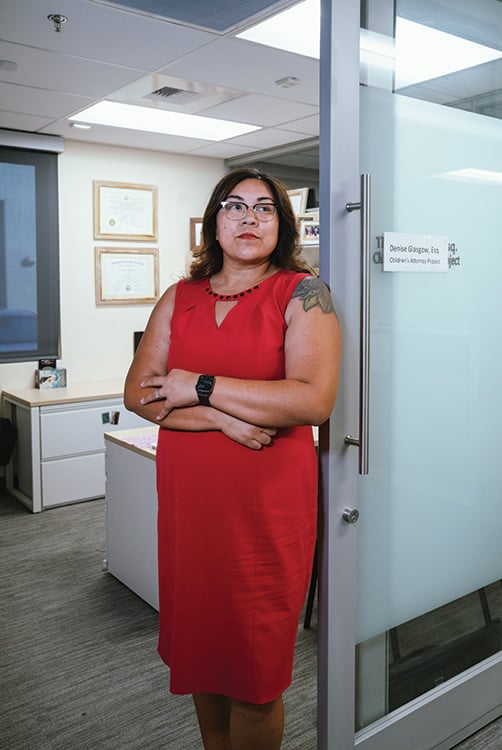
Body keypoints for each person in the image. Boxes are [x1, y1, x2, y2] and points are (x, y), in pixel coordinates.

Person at [124, 167, 341, 750]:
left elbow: (311, 400)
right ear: (213, 222)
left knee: (254, 678)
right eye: (234, 206)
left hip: (265, 511)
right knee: (202, 658)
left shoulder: (302, 293)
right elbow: (139, 395)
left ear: (283, 224)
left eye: (265, 208)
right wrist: (225, 415)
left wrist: (195, 385)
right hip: (191, 511)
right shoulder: (180, 297)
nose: (249, 218)